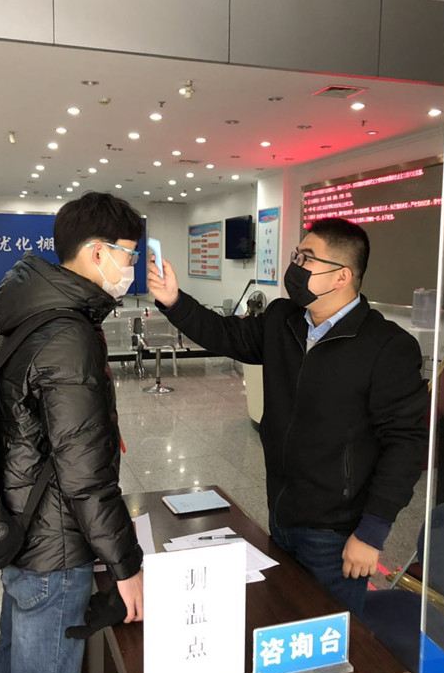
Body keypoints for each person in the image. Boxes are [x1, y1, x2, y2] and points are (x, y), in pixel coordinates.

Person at [147, 217, 428, 617]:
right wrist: (175, 301)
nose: (294, 265)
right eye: (297, 255)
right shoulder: (284, 319)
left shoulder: (387, 347)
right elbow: (226, 334)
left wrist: (372, 532)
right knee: (284, 616)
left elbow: (405, 446)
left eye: (307, 258)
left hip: (337, 531)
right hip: (282, 511)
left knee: (328, 633)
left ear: (342, 276)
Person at [0, 192, 145, 673]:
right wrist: (126, 567)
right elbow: (85, 473)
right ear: (97, 252)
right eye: (128, 254)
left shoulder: (32, 314)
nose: (130, 266)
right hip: (54, 553)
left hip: (22, 532)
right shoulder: (69, 334)